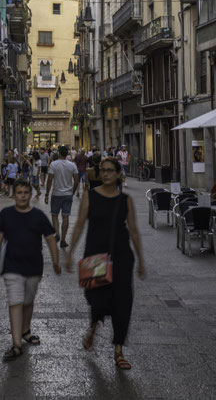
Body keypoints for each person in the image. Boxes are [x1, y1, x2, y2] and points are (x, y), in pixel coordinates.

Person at [66, 157, 145, 370]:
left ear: (119, 174)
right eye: (104, 170)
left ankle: (118, 350)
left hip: (120, 256)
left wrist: (140, 260)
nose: (107, 174)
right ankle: (93, 327)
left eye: (111, 170)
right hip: (95, 255)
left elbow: (134, 231)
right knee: (97, 299)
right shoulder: (90, 196)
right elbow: (80, 225)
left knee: (122, 302)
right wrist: (70, 252)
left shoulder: (125, 200)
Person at [0, 179, 61, 361]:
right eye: (19, 192)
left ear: (30, 195)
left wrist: (55, 261)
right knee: (15, 302)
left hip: (33, 267)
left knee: (28, 302)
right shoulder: (6, 214)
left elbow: (51, 239)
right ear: (14, 194)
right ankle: (16, 344)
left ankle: (26, 331)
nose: (22, 196)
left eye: (26, 193)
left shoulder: (38, 216)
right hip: (12, 266)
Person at [45, 145, 78, 248]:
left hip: (56, 194)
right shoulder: (72, 165)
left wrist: (46, 194)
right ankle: (63, 240)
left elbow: (50, 180)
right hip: (68, 194)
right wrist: (72, 192)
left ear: (59, 153)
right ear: (67, 153)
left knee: (54, 215)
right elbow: (76, 181)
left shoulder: (54, 164)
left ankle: (57, 233)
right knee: (66, 217)